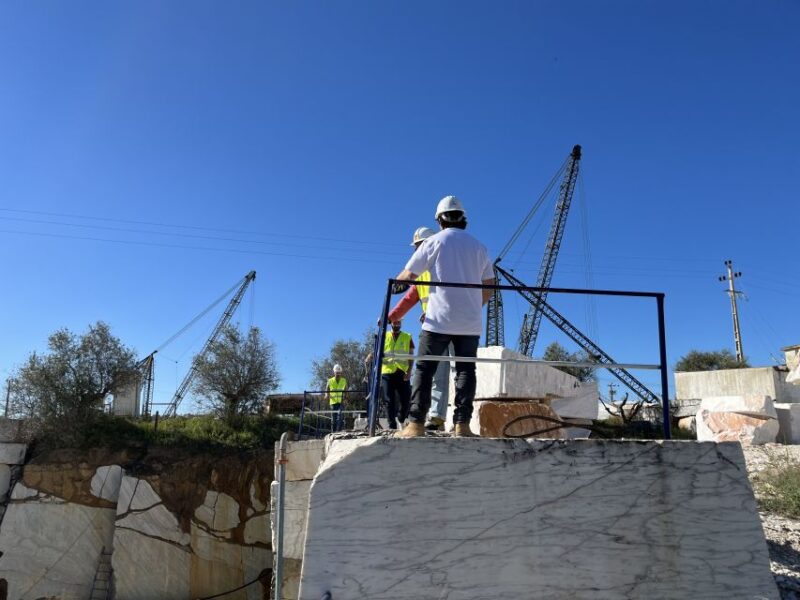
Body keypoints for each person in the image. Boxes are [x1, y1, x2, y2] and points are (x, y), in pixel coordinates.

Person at [395, 196, 494, 438]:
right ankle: (462, 425)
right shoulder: (479, 247)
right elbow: (490, 285)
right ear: (464, 219)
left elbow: (408, 275)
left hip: (437, 321)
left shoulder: (433, 243)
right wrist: (473, 307)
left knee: (424, 369)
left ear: (440, 220)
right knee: (465, 372)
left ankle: (415, 424)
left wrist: (394, 286)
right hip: (469, 324)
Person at [388, 226, 452, 431]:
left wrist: (434, 309)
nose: (417, 251)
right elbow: (409, 298)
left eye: (419, 246)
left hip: (452, 323)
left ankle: (448, 418)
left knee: (452, 370)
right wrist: (390, 317)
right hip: (433, 325)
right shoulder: (422, 274)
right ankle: (432, 417)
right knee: (431, 371)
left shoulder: (444, 267)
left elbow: (450, 293)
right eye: (416, 248)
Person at [381, 320, 415, 429]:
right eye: (395, 322)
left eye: (399, 322)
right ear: (391, 323)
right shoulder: (384, 336)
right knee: (389, 400)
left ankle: (401, 419)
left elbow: (411, 355)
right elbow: (378, 351)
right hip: (387, 372)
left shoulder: (407, 336)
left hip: (402, 372)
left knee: (406, 399)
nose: (397, 324)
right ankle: (392, 425)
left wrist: (409, 371)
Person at [326, 364, 347, 432]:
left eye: (339, 373)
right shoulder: (330, 380)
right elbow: (327, 389)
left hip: (341, 401)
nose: (338, 374)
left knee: (340, 418)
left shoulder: (344, 380)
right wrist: (326, 394)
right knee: (334, 419)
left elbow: (346, 390)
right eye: (336, 373)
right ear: (334, 372)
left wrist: (346, 398)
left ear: (341, 373)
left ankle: (339, 432)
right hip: (333, 402)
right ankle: (333, 432)